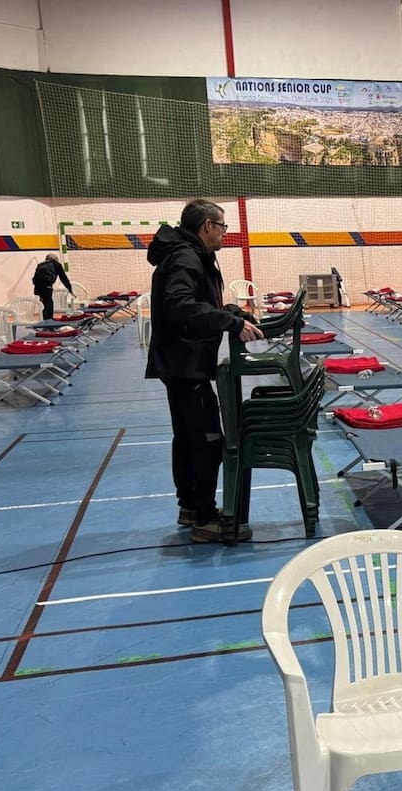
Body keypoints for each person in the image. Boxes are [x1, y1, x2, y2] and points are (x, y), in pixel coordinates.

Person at [145, 199, 263, 544]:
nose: (225, 233)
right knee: (207, 441)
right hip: (185, 364)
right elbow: (179, 305)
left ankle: (190, 507)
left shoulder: (188, 253)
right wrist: (229, 322)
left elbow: (198, 303)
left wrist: (232, 313)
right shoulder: (186, 256)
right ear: (208, 226)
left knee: (186, 438)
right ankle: (205, 518)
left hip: (181, 363)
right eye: (223, 226)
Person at [32, 253, 72, 321]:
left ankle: (43, 320)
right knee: (49, 304)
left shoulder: (40, 264)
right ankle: (48, 321)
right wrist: (70, 289)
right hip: (47, 286)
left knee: (44, 304)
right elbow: (64, 278)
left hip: (38, 288)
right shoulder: (57, 265)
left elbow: (35, 279)